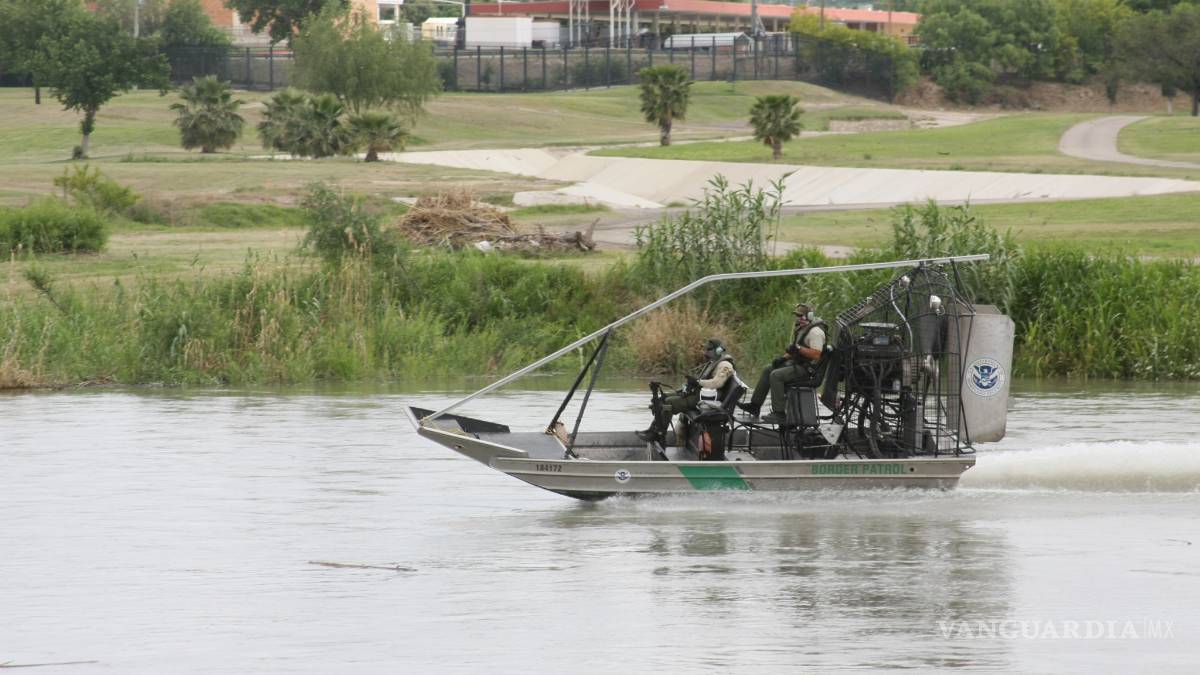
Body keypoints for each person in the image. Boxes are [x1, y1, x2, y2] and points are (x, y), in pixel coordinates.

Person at [738, 303, 826, 423]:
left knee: (776, 375)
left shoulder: (815, 332)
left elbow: (816, 354)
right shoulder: (802, 328)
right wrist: (783, 358)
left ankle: (779, 413)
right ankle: (755, 405)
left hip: (807, 370)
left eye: (800, 316)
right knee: (768, 369)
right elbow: (795, 349)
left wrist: (799, 349)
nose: (798, 318)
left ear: (809, 316)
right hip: (798, 363)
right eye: (797, 315)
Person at [637, 338, 735, 443]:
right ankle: (652, 430)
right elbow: (701, 381)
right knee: (664, 398)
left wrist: (698, 382)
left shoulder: (725, 366)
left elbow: (717, 383)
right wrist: (688, 385)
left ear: (718, 350)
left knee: (668, 403)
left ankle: (659, 435)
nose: (705, 352)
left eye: (709, 349)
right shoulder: (713, 363)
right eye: (705, 349)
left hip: (708, 400)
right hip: (699, 394)